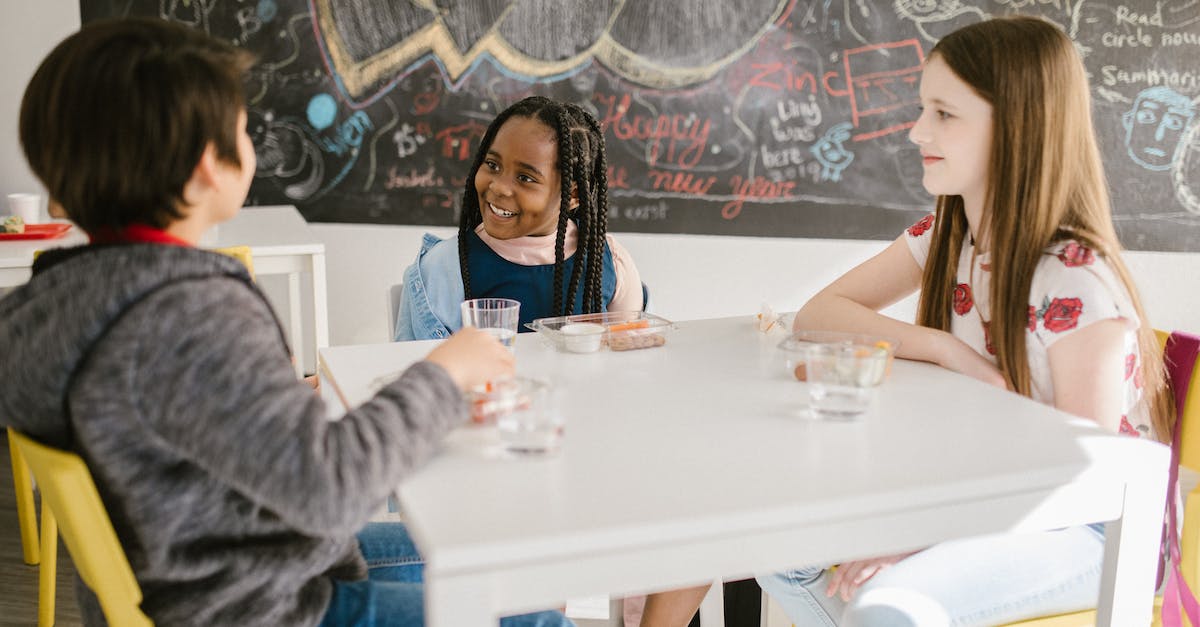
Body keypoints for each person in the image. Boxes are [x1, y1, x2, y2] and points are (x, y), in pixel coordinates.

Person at [0, 18, 572, 627]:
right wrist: (440, 373)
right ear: (205, 166)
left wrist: (285, 400)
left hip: (210, 571)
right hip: (262, 604)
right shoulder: (188, 314)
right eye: (242, 130)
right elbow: (329, 489)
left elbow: (176, 423)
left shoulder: (64, 302)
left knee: (493, 552)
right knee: (539, 618)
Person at [642, 15, 1174, 627]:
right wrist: (947, 351)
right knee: (779, 551)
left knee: (888, 600)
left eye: (945, 114)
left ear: (1018, 126)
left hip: (1092, 530)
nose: (918, 130)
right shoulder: (947, 235)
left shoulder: (1075, 279)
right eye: (924, 109)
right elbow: (818, 316)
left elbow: (1081, 477)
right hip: (983, 493)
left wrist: (922, 535)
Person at [394, 95, 643, 341]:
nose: (499, 187)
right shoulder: (444, 268)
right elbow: (420, 374)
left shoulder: (609, 263)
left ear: (573, 195)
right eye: (492, 165)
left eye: (525, 178)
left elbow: (629, 364)